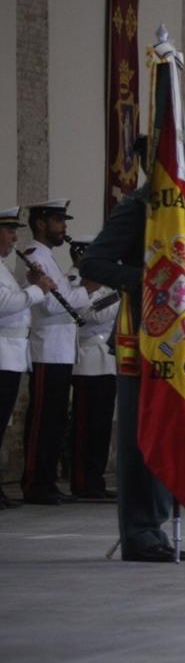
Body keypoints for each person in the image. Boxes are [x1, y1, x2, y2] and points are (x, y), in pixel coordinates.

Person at [79, 182, 185, 562]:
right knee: (138, 437)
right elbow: (93, 263)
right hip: (138, 335)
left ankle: (155, 525)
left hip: (174, 336)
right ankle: (137, 531)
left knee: (165, 433)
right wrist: (145, 279)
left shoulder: (176, 208)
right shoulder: (136, 207)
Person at [18, 199, 92, 504]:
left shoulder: (50, 258)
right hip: (47, 349)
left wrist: (82, 292)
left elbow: (65, 300)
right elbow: (50, 306)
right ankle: (35, 482)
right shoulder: (35, 256)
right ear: (41, 223)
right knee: (43, 420)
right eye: (58, 221)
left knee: (56, 420)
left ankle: (47, 481)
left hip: (62, 350)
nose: (64, 228)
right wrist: (87, 288)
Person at [0, 206, 57, 510]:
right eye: (9, 231)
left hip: (11, 356)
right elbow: (3, 306)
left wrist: (28, 285)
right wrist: (36, 290)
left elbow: (14, 302)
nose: (13, 238)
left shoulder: (4, 269)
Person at [66, 237, 121, 499]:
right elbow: (89, 316)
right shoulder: (74, 281)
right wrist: (122, 294)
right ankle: (81, 481)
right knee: (85, 427)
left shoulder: (101, 284)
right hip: (87, 359)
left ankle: (95, 480)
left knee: (100, 426)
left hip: (106, 360)